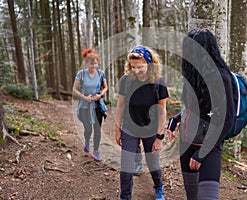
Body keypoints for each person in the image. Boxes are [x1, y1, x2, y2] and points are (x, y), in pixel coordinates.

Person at [166, 28, 234, 200]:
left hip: (210, 147)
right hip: (187, 143)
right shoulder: (192, 76)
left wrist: (201, 153)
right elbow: (193, 108)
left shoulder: (221, 78)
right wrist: (175, 120)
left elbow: (226, 120)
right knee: (192, 196)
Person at [115, 45, 169, 200]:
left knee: (153, 163)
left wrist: (159, 136)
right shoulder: (126, 80)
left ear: (150, 64)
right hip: (130, 128)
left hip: (150, 129)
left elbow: (162, 111)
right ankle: (125, 196)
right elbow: (120, 106)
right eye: (133, 67)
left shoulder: (158, 82)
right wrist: (117, 129)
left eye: (140, 67)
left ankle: (159, 188)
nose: (137, 70)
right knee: (126, 165)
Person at [72, 47, 108, 161]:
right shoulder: (81, 74)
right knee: (88, 129)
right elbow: (74, 89)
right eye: (91, 64)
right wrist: (84, 97)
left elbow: (105, 87)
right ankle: (87, 140)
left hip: (97, 105)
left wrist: (100, 95)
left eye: (96, 64)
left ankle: (96, 151)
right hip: (85, 106)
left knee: (97, 128)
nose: (94, 66)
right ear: (86, 63)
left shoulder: (101, 73)